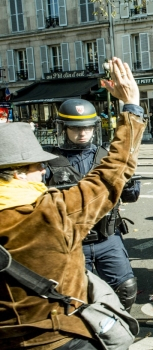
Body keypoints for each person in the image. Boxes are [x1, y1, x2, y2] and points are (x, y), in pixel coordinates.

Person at [0, 57, 144, 349]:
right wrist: (131, 106)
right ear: (15, 173)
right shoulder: (53, 211)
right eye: (33, 167)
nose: (42, 170)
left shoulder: (94, 155)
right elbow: (111, 174)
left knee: (123, 287)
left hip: (106, 237)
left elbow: (122, 183)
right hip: (62, 335)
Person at [44, 97, 141, 313]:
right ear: (63, 128)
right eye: (76, 128)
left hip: (107, 236)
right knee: (78, 297)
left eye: (87, 127)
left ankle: (119, 326)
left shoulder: (107, 156)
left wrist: (129, 183)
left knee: (126, 288)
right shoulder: (49, 161)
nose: (83, 133)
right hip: (72, 241)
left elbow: (131, 196)